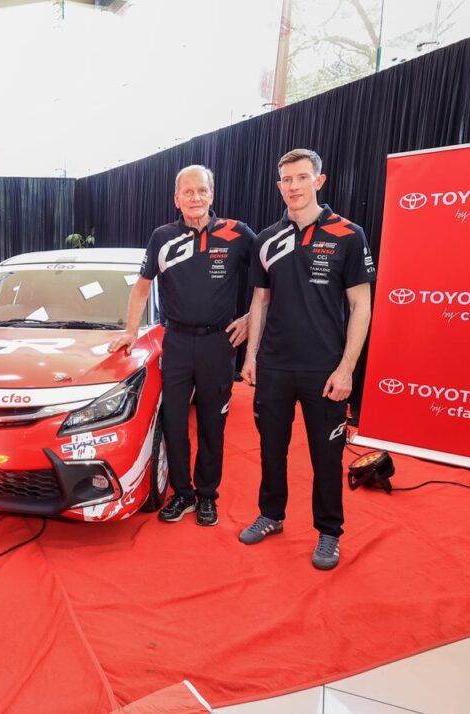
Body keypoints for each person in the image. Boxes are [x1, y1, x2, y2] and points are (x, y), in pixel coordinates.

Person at [239, 148, 375, 570]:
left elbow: (361, 306)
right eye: (287, 179)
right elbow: (259, 303)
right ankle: (271, 514)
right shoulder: (266, 240)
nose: (294, 186)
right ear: (279, 185)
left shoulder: (348, 234)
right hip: (275, 366)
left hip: (325, 370)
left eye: (302, 177)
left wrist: (347, 368)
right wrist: (251, 357)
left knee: (326, 456)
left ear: (319, 180)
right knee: (271, 449)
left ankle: (329, 531)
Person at [108, 165, 254, 526]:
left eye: (202, 190)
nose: (195, 197)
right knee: (174, 422)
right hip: (175, 343)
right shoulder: (162, 237)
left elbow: (269, 278)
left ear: (212, 194)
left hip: (218, 344)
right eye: (187, 192)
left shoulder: (237, 234)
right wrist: (130, 331)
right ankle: (183, 494)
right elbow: (142, 287)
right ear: (176, 199)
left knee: (211, 424)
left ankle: (207, 496)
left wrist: (251, 317)